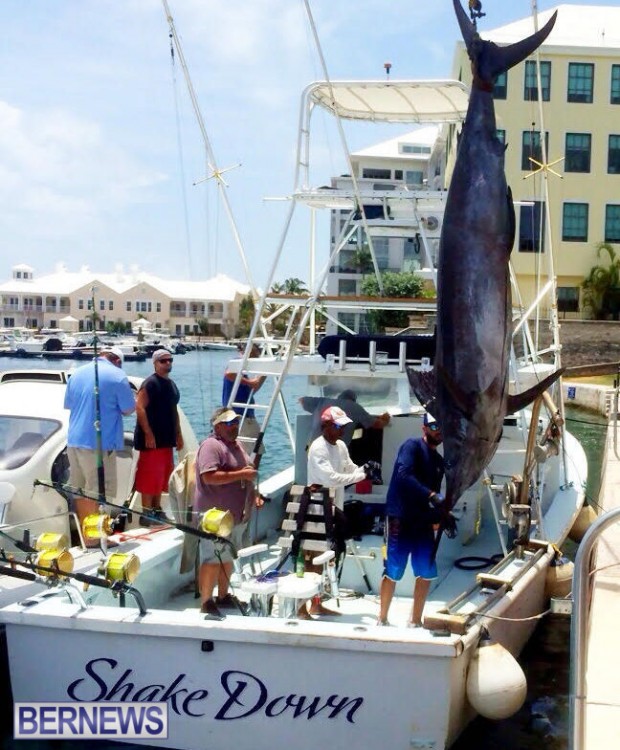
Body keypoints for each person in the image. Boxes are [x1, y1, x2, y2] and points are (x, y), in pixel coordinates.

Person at [194, 406, 264, 618]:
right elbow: (209, 476)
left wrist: (255, 494)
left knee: (227, 558)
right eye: (229, 423)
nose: (234, 426)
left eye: (236, 422)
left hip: (236, 515)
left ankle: (223, 596)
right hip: (215, 517)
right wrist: (241, 474)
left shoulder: (237, 445)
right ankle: (206, 601)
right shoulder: (211, 446)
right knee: (212, 558)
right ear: (217, 426)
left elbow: (248, 473)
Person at [378, 412, 445, 628]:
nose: (438, 430)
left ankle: (415, 620)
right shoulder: (411, 446)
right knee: (393, 571)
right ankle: (382, 619)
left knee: (425, 571)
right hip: (400, 517)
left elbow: (435, 493)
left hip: (422, 520)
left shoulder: (439, 462)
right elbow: (404, 475)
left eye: (442, 426)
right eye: (433, 426)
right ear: (424, 428)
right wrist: (431, 495)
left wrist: (439, 516)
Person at [63, 345, 136, 542]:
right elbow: (129, 409)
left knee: (79, 490)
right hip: (98, 445)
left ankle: (87, 537)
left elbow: (69, 404)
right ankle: (96, 540)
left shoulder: (76, 374)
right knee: (98, 493)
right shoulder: (118, 376)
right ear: (118, 361)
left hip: (73, 441)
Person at [302, 406, 367, 618]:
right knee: (311, 559)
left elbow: (348, 468)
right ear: (326, 426)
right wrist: (359, 477)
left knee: (326, 557)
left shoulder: (340, 445)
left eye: (344, 427)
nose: (342, 431)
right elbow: (330, 478)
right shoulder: (318, 448)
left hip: (333, 509)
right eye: (338, 426)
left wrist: (364, 470)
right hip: (316, 509)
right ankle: (301, 608)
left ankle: (316, 604)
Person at [134, 348, 183, 515]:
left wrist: (178, 434)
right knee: (149, 475)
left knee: (162, 476)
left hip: (167, 439)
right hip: (152, 440)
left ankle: (156, 508)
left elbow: (173, 410)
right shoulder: (150, 383)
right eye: (163, 361)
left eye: (170, 360)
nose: (168, 363)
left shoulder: (172, 385)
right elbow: (139, 408)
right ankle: (146, 512)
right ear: (155, 363)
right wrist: (148, 433)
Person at [300, 389, 390, 447]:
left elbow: (302, 401)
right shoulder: (355, 407)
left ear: (339, 397)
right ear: (353, 400)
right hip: (333, 450)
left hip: (312, 448)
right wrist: (386, 418)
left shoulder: (323, 401)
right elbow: (377, 424)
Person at [222, 344, 266, 454]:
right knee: (249, 451)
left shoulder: (242, 373)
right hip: (239, 415)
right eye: (256, 354)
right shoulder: (238, 362)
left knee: (258, 450)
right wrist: (250, 382)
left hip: (247, 415)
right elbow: (228, 374)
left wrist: (264, 373)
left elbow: (252, 389)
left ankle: (252, 470)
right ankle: (249, 470)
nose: (257, 357)